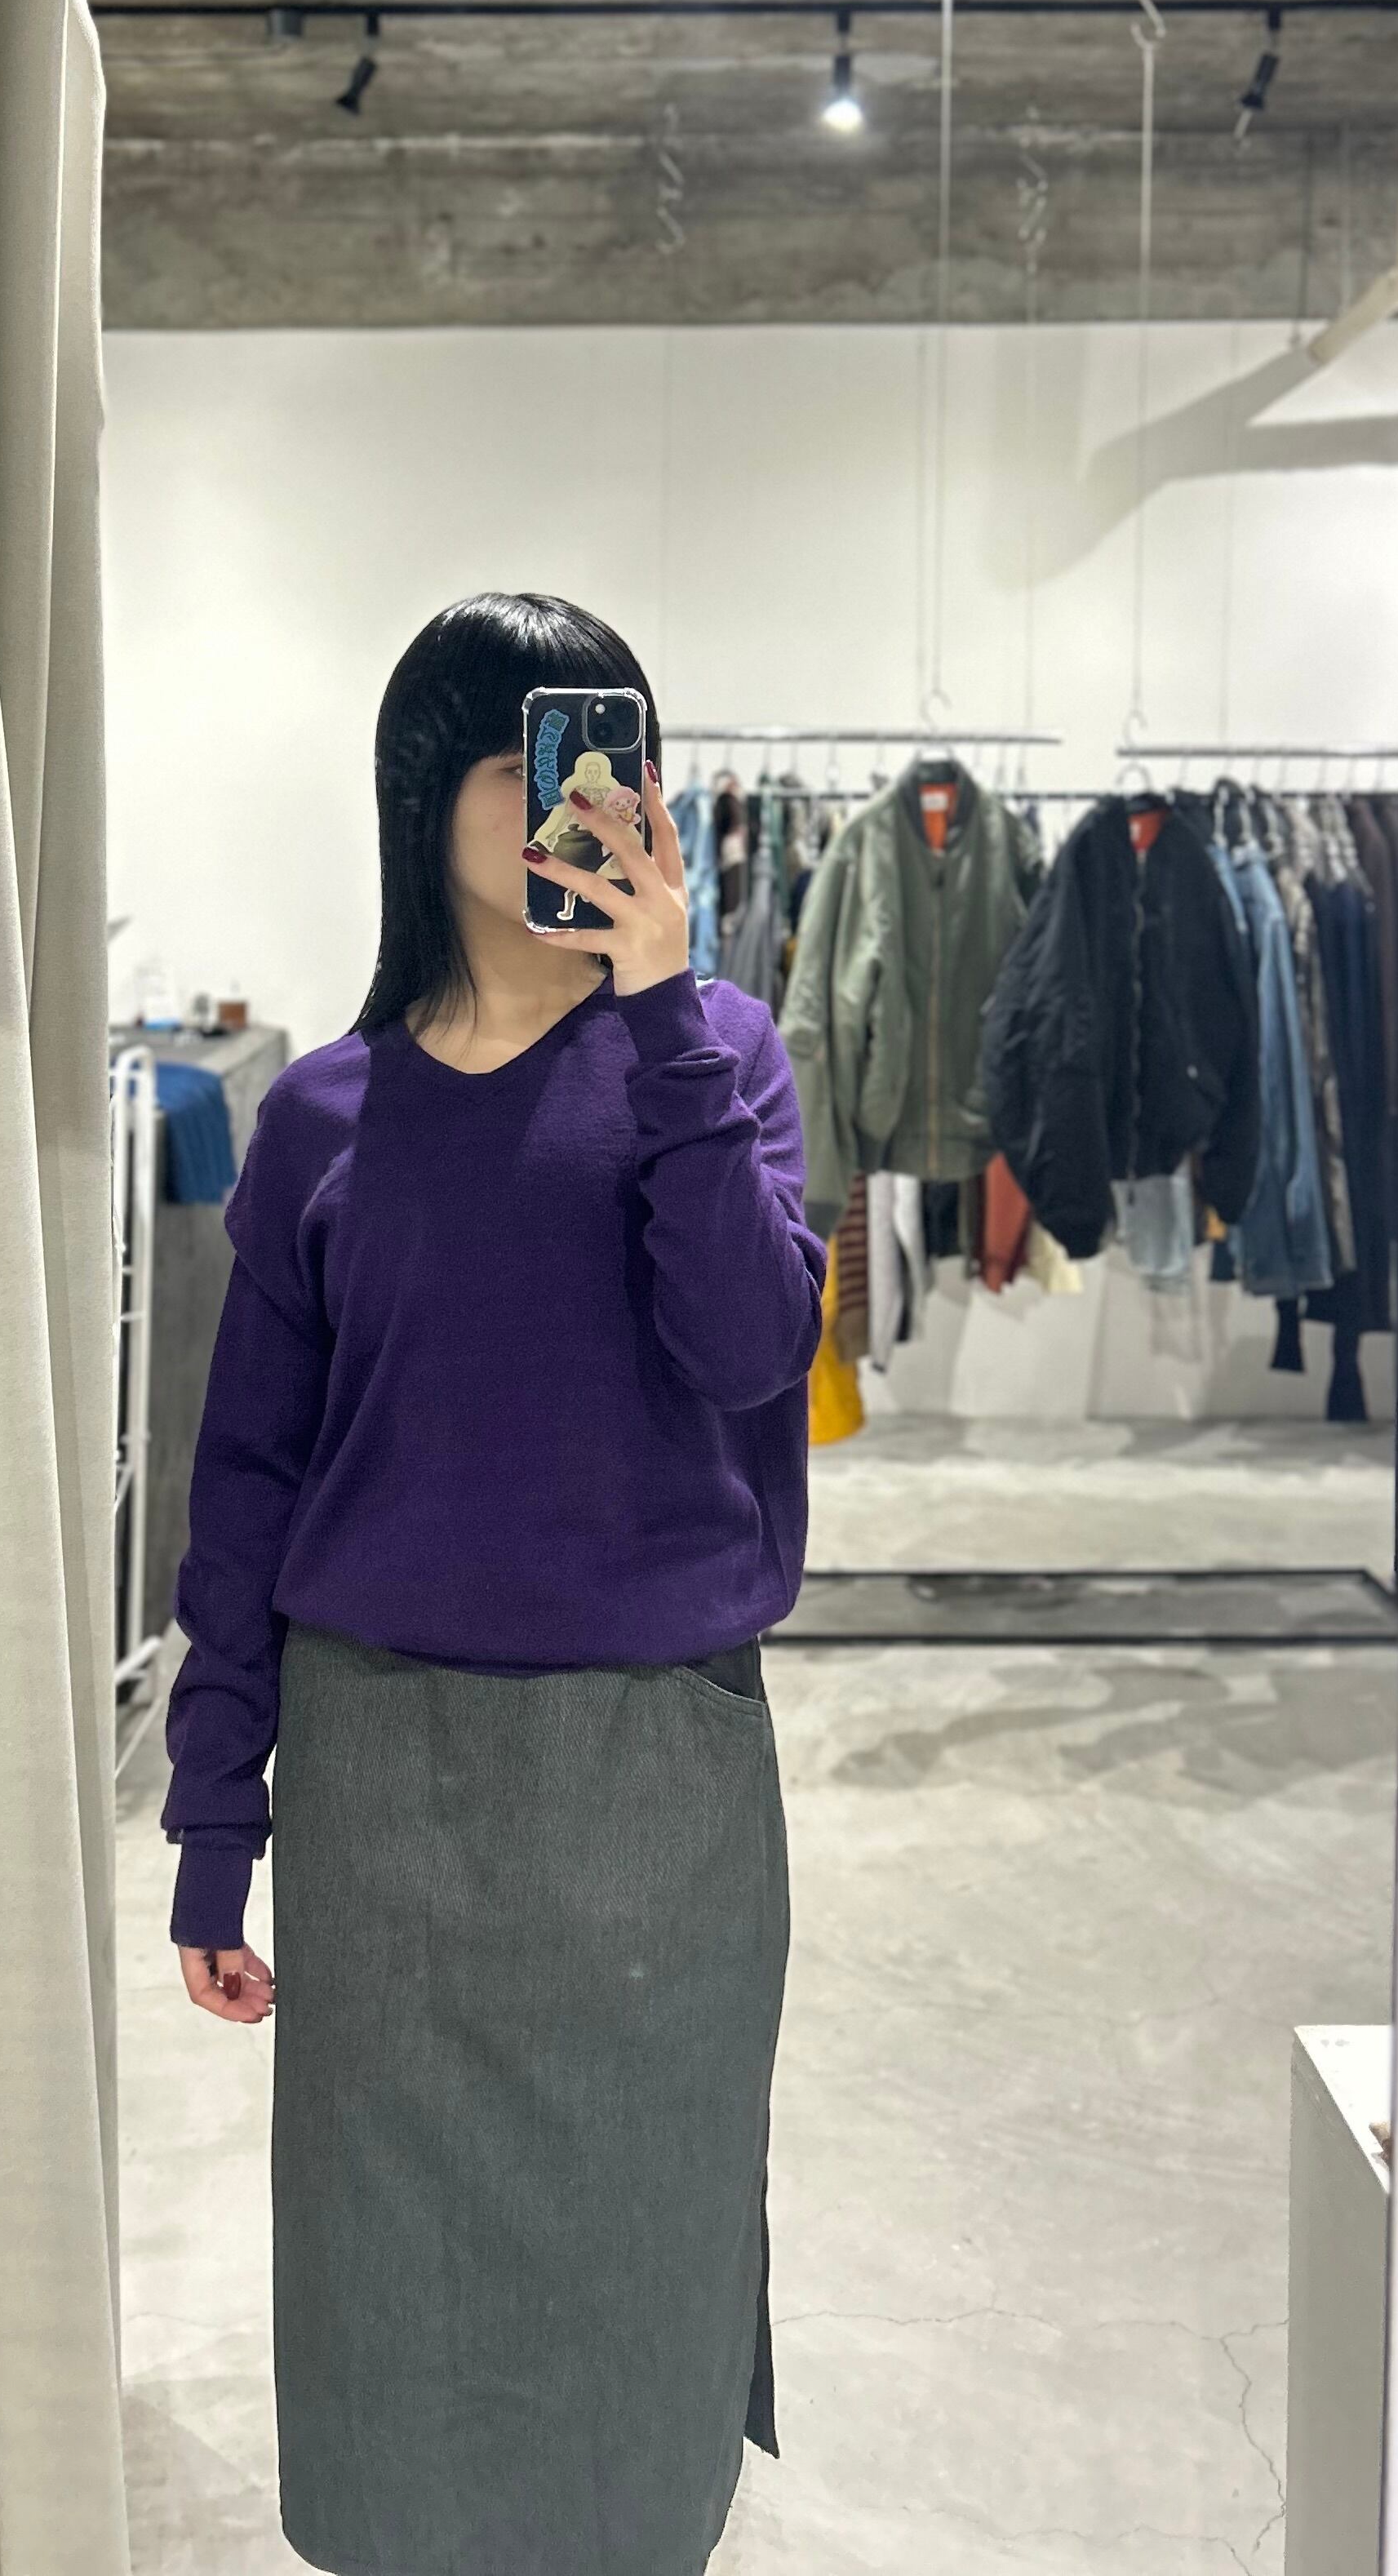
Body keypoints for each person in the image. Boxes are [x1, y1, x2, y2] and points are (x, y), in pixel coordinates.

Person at [162, 590, 826, 2576]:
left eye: (619, 749)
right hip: (385, 1790)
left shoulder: (721, 1056)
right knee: (395, 2304)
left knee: (643, 2268)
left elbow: (752, 1351)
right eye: (531, 755)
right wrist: (214, 1822)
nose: (586, 797)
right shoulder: (322, 1118)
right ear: (422, 796)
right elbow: (245, 1491)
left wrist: (666, 1020)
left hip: (657, 1790)